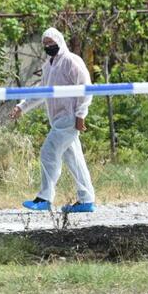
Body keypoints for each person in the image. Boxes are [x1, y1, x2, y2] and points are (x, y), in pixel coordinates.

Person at [11, 27, 96, 214]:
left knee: (48, 152)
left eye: (51, 42)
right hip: (58, 119)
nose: (49, 46)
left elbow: (86, 88)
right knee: (74, 160)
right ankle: (86, 200)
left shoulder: (71, 61)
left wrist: (81, 115)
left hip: (69, 117)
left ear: (60, 41)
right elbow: (42, 92)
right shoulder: (48, 66)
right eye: (45, 44)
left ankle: (44, 198)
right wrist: (22, 106)